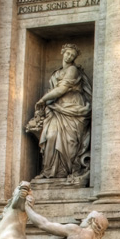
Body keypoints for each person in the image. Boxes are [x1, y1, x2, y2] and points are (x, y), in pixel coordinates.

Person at [29, 43, 92, 181]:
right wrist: (47, 103)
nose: (69, 56)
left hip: (73, 107)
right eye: (68, 53)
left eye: (73, 55)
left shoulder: (73, 70)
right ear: (62, 52)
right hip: (56, 108)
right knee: (51, 136)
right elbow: (55, 91)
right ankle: (49, 171)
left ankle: (66, 171)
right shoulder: (56, 73)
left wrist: (43, 99)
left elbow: (62, 89)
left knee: (70, 142)